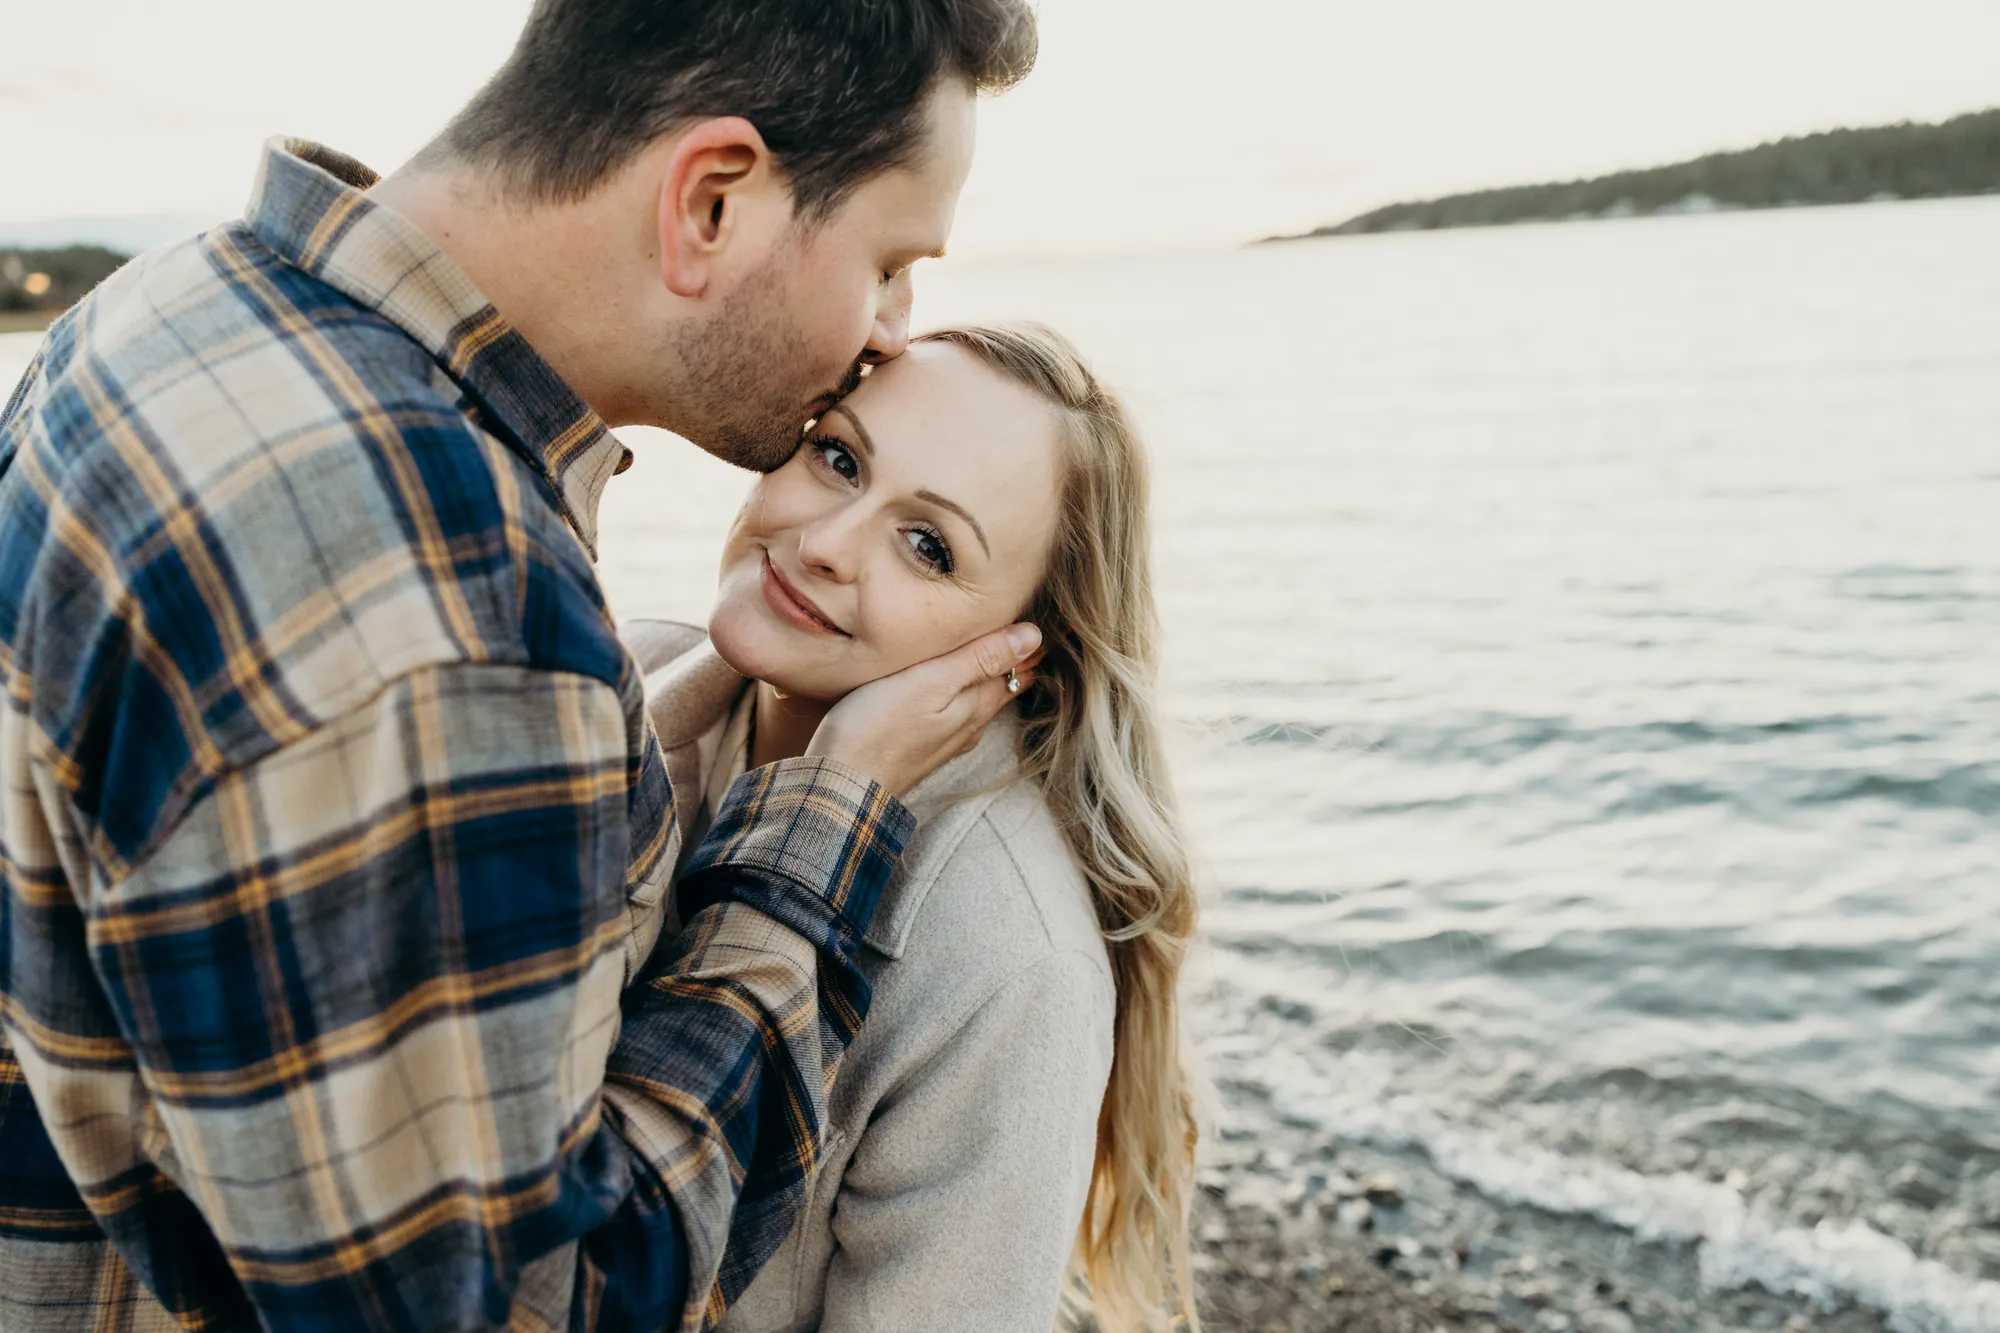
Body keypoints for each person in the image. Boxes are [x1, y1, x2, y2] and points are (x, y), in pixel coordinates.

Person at [0, 3, 1039, 1330]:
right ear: (711, 201)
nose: (894, 327)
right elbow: (536, 1301)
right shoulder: (439, 592)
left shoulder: (173, 309)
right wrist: (818, 832)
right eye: (890, 259)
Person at [627, 325, 1201, 1333]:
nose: (824, 543)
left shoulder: (1006, 956)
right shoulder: (617, 683)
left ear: (1017, 652)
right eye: (837, 457)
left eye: (928, 546)